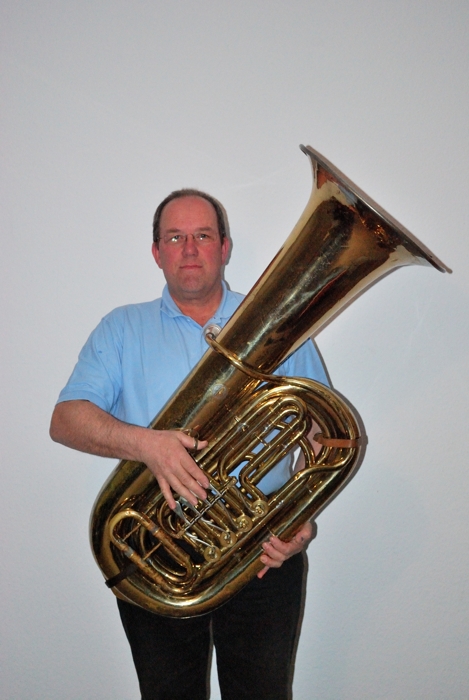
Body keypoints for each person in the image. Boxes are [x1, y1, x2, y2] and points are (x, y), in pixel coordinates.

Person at [50, 189, 330, 700]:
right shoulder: (122, 329)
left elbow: (322, 432)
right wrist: (147, 445)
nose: (190, 248)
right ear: (156, 252)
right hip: (155, 553)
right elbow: (66, 419)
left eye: (203, 235)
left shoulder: (280, 323)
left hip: (263, 552)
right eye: (175, 238)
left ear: (225, 247)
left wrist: (301, 518)